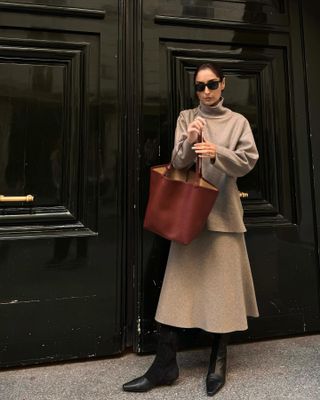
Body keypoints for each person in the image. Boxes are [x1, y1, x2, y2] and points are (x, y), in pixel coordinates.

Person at [123, 62, 259, 396]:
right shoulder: (187, 117)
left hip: (224, 216)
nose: (207, 91)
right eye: (200, 86)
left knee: (223, 295)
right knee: (176, 291)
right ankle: (164, 365)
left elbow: (248, 160)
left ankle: (219, 363)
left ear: (223, 84)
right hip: (189, 218)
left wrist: (217, 152)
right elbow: (178, 161)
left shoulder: (237, 122)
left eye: (212, 84)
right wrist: (191, 139)